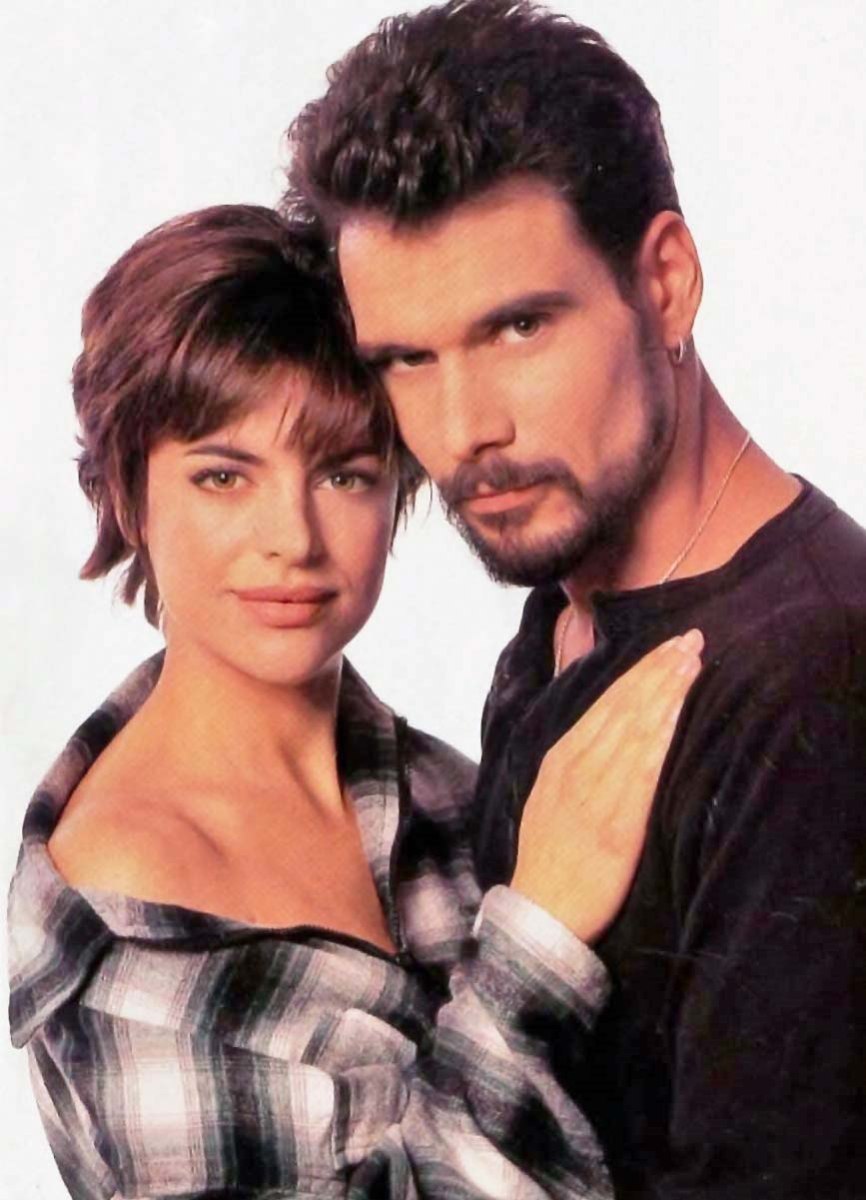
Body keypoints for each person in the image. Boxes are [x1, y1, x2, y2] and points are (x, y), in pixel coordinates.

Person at [283, 0, 866, 1195]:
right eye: (406, 359)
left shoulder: (812, 683)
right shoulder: (566, 610)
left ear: (664, 282)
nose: (464, 430)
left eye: (517, 327)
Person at [7, 203, 703, 1200]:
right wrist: (535, 941)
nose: (292, 538)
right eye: (223, 476)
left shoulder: (443, 786)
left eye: (343, 474)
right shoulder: (125, 929)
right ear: (128, 491)